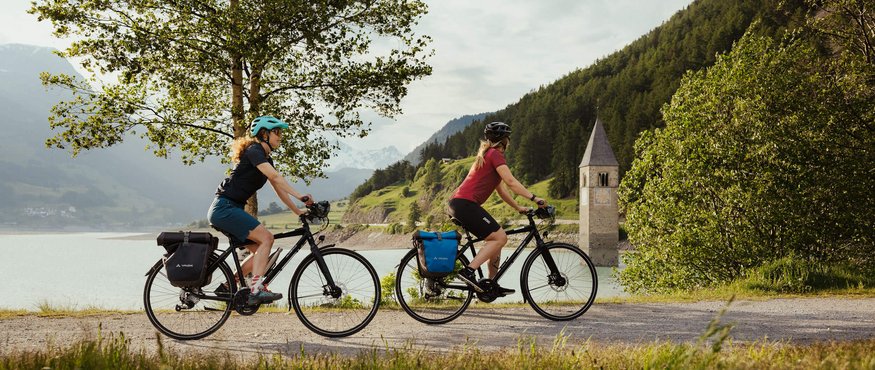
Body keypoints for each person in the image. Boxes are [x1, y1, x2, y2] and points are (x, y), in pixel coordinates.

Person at [207, 115, 314, 304]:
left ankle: (227, 286)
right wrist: (301, 197)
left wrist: (297, 211)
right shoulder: (254, 151)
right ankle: (255, 289)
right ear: (264, 134)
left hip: (229, 209)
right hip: (225, 208)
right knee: (267, 238)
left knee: (261, 252)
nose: (280, 137)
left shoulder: (265, 159)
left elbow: (278, 188)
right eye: (277, 132)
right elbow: (277, 177)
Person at [448, 121, 547, 294]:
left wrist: (518, 207)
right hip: (465, 205)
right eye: (508, 138)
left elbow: (501, 190)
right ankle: (468, 272)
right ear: (504, 140)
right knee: (500, 238)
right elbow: (511, 182)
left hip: (460, 204)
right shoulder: (495, 155)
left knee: (495, 241)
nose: (509, 141)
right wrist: (534, 198)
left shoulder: (487, 155)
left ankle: (490, 284)